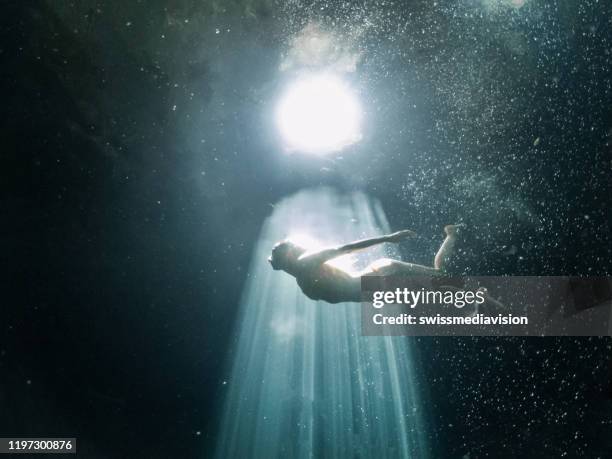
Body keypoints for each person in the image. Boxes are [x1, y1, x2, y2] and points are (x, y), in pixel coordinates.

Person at [268, 224, 465, 303]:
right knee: (440, 275)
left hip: (372, 290)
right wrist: (388, 238)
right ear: (289, 255)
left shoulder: (305, 287)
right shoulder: (305, 263)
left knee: (437, 282)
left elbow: (340, 289)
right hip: (380, 275)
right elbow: (346, 248)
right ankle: (452, 235)